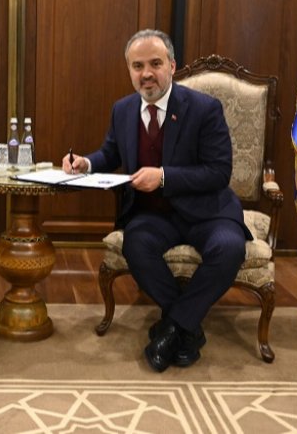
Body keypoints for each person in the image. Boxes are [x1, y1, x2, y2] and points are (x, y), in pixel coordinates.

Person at [62, 29, 251, 372]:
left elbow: (218, 172)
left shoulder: (204, 109)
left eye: (155, 64)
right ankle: (187, 329)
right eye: (137, 66)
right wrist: (85, 164)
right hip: (155, 215)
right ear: (129, 70)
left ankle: (172, 327)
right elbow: (111, 153)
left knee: (229, 249)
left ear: (172, 66)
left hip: (208, 212)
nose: (146, 73)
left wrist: (163, 177)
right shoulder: (122, 110)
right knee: (136, 245)